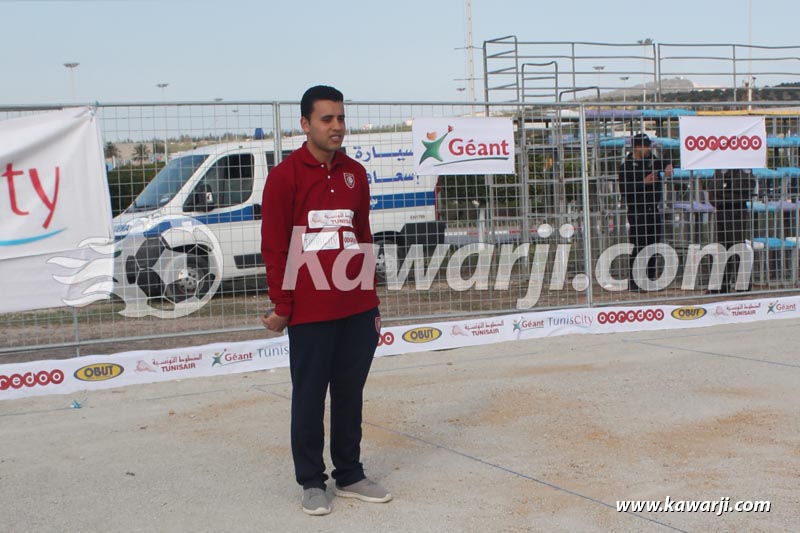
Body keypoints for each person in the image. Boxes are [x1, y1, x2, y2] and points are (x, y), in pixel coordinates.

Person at [260, 85, 391, 516]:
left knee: (350, 393)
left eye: (340, 118)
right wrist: (282, 305)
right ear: (305, 124)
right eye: (326, 119)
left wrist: (370, 296)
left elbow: (364, 235)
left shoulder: (355, 172)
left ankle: (350, 474)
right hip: (310, 310)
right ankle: (312, 482)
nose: (336, 127)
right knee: (310, 395)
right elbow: (276, 246)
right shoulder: (284, 177)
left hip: (356, 307)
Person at [618, 133, 674, 291]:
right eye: (646, 146)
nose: (649, 149)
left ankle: (650, 279)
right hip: (637, 209)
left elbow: (667, 162)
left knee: (654, 243)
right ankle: (635, 281)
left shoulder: (653, 161)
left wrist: (669, 165)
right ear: (637, 147)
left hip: (653, 208)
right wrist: (644, 182)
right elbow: (625, 191)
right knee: (640, 244)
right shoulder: (627, 166)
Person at [707, 168, 755, 292]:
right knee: (722, 246)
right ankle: (721, 284)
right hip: (722, 209)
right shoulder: (719, 169)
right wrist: (725, 192)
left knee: (738, 245)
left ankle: (743, 284)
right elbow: (713, 191)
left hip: (737, 209)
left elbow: (745, 189)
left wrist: (726, 191)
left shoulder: (743, 167)